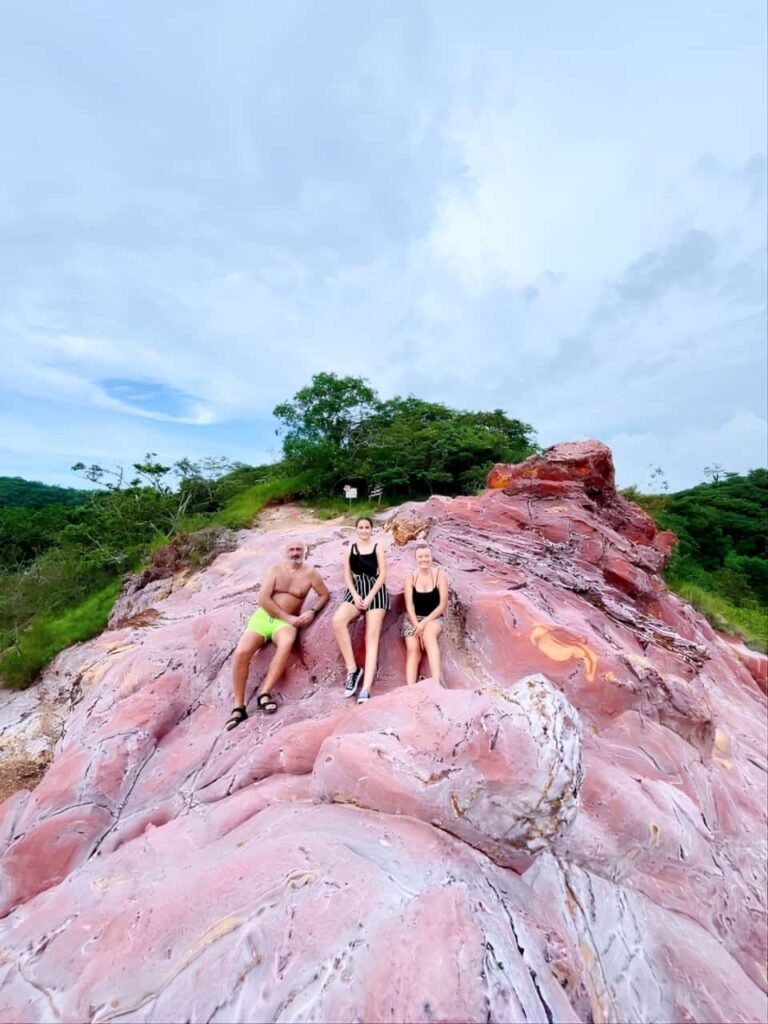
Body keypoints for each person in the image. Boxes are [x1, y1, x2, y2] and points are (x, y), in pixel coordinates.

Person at [226, 540, 329, 729]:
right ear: (285, 552)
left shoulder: (310, 574)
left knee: (286, 644)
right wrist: (287, 617)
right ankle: (238, 706)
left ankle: (264, 693)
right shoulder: (275, 570)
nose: (295, 553)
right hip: (265, 617)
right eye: (292, 549)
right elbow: (263, 599)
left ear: (305, 551)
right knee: (241, 652)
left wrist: (312, 612)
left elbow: (324, 595)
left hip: (285, 624)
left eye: (299, 549)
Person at [332, 515, 389, 703]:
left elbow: (382, 575)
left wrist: (370, 597)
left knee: (371, 636)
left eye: (367, 527)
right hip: (356, 590)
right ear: (356, 529)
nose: (364, 530)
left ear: (371, 529)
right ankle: (353, 669)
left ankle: (366, 688)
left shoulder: (377, 547)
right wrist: (356, 596)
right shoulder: (351, 548)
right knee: (338, 621)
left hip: (375, 590)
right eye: (361, 527)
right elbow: (347, 574)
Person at [402, 542, 448, 685]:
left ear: (431, 557)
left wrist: (423, 624)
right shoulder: (411, 578)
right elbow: (409, 606)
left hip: (433, 618)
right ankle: (410, 687)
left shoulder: (440, 575)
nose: (424, 559)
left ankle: (436, 682)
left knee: (429, 635)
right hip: (413, 619)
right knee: (413, 649)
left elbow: (442, 606)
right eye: (420, 557)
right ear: (416, 559)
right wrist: (416, 624)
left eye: (427, 556)